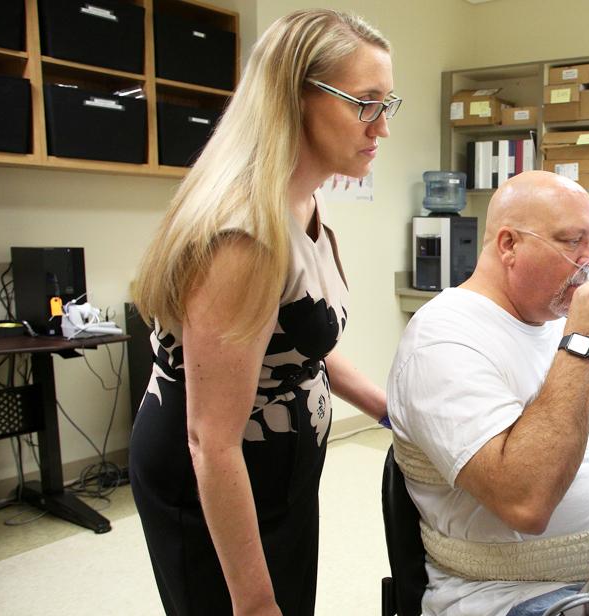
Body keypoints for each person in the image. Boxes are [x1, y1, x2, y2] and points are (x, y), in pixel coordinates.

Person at [128, 10, 397, 615]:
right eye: (365, 103)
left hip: (279, 471)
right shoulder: (243, 239)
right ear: (294, 97)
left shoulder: (303, 202)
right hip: (216, 483)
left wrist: (389, 410)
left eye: (389, 104)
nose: (382, 127)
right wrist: (253, 604)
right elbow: (211, 440)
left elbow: (303, 341)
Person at [387, 170, 589, 616]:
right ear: (509, 245)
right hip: (514, 593)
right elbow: (526, 502)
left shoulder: (556, 322)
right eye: (571, 241)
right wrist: (583, 343)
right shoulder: (443, 340)